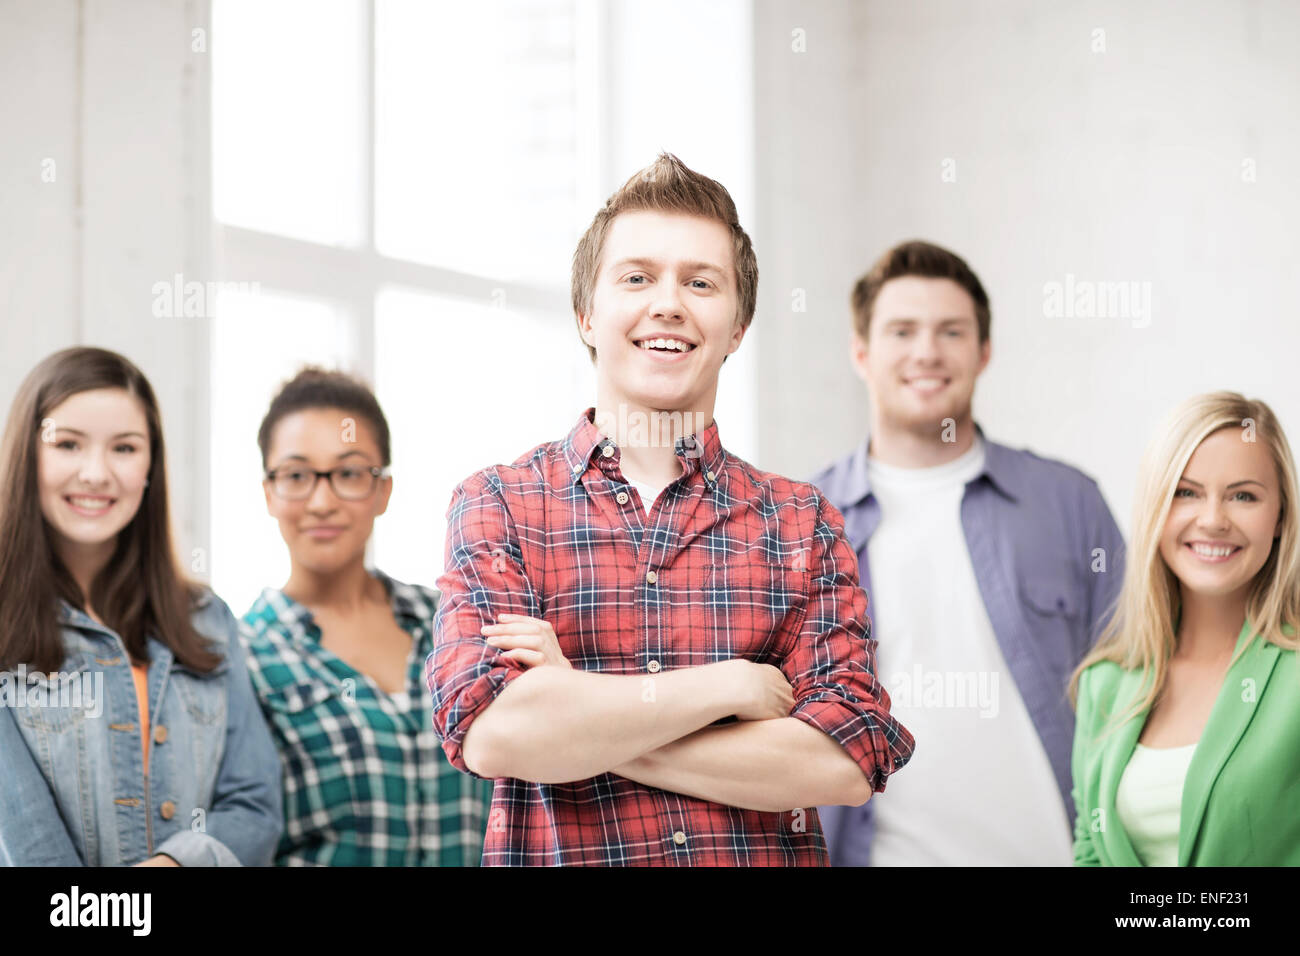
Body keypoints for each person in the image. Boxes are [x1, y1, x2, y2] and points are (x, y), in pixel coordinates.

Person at [427, 152, 915, 866]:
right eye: (637, 277)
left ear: (739, 325)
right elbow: (495, 734)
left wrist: (576, 705)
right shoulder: (498, 505)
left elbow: (842, 764)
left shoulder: (802, 523)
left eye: (701, 282)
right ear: (586, 313)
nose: (668, 303)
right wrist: (728, 688)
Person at [813, 240, 1126, 866]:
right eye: (902, 330)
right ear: (861, 352)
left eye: (951, 331)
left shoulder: (1068, 501)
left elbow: (1142, 682)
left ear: (984, 351)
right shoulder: (801, 521)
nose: (927, 351)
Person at [0, 346, 281, 866]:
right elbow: (26, 840)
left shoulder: (207, 618)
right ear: (27, 455)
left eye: (124, 448)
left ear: (151, 464)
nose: (96, 473)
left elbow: (256, 808)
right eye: (67, 444)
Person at [241, 368, 492, 865]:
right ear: (268, 492)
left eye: (349, 473)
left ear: (383, 490)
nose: (322, 501)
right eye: (296, 476)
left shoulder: (455, 622)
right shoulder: (241, 655)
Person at [1070, 392, 1300, 866]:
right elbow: (1090, 850)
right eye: (1186, 492)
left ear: (1280, 516)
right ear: (1156, 509)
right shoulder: (1105, 683)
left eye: (1243, 495)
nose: (1213, 519)